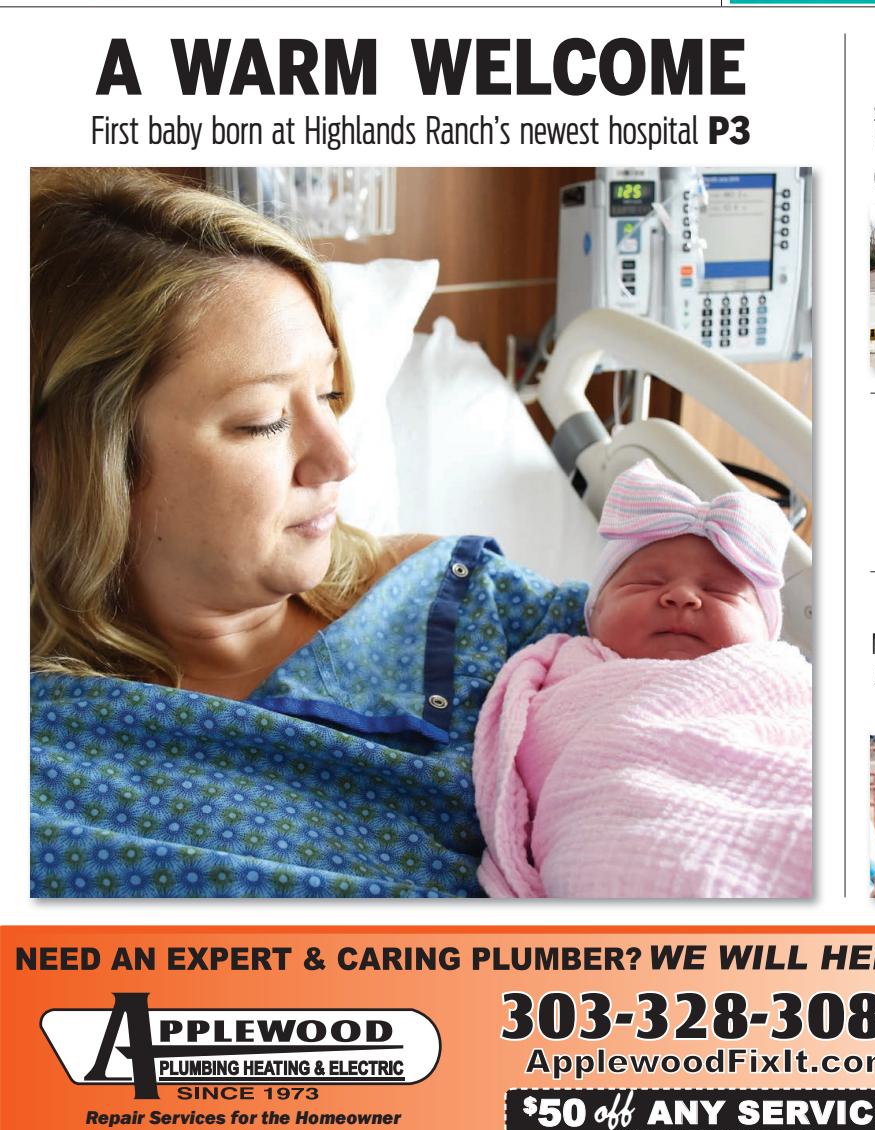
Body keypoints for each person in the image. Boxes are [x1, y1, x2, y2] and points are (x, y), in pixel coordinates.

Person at [30, 169, 586, 898]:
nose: (338, 457)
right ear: (77, 460)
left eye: (329, 394)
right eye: (263, 420)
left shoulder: (467, 612)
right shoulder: (47, 740)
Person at [473, 460, 811, 898]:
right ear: (592, 615)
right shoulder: (563, 665)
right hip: (622, 832)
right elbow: (518, 752)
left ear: (767, 635)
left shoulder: (780, 675)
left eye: (721, 592)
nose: (682, 596)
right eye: (646, 583)